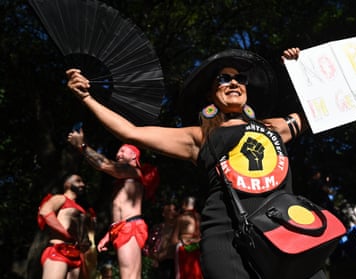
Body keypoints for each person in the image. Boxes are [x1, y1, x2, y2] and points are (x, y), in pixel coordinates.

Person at [66, 47, 329, 278]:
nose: (234, 83)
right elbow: (131, 132)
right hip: (229, 240)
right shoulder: (199, 136)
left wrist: (299, 68)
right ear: (210, 95)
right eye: (224, 79)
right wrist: (87, 97)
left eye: (241, 79)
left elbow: (316, 108)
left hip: (287, 230)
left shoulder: (275, 127)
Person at [67, 129, 160, 279]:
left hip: (130, 227)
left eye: (123, 151)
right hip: (122, 228)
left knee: (129, 276)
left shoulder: (134, 171)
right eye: (118, 152)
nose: (118, 155)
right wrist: (108, 235)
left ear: (134, 155)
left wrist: (82, 146)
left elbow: (104, 165)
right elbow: (121, 210)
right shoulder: (123, 181)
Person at [38, 173, 92, 279]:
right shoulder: (60, 198)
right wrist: (65, 234)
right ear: (67, 184)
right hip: (59, 250)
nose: (83, 184)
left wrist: (85, 242)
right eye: (78, 181)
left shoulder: (82, 208)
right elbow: (45, 212)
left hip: (76, 255)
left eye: (83, 182)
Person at [143, 202, 178, 279]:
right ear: (163, 213)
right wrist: (155, 258)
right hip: (160, 264)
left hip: (177, 263)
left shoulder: (180, 228)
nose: (172, 212)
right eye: (169, 210)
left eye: (174, 210)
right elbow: (147, 247)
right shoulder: (157, 228)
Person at [171, 196, 202, 279]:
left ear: (184, 205)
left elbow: (173, 239)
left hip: (187, 248)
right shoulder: (197, 217)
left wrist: (186, 241)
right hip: (190, 247)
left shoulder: (181, 218)